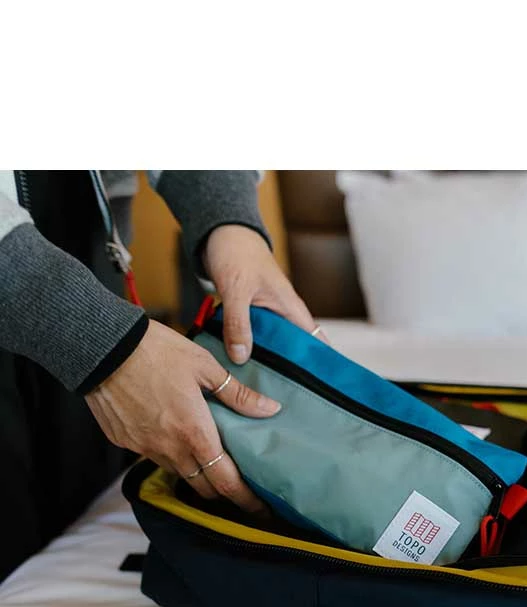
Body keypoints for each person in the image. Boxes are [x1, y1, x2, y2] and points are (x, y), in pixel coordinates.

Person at [0, 170, 319, 581]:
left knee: (76, 541)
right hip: (71, 313)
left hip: (92, 258)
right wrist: (98, 344)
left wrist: (230, 221)